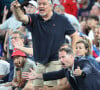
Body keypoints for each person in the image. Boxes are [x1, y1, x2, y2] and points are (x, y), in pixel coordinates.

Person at [11, 0, 79, 89]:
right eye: (39, 4)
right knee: (36, 87)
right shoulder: (34, 18)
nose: (41, 6)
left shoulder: (61, 20)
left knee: (48, 88)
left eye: (44, 4)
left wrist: (72, 53)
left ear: (51, 6)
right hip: (40, 62)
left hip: (55, 61)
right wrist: (16, 8)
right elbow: (21, 17)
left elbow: (75, 35)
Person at [23, 47, 100, 90]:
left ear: (71, 57)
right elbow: (54, 75)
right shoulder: (67, 70)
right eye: (60, 58)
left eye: (63, 57)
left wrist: (82, 72)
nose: (61, 60)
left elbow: (88, 68)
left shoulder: (82, 62)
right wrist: (37, 76)